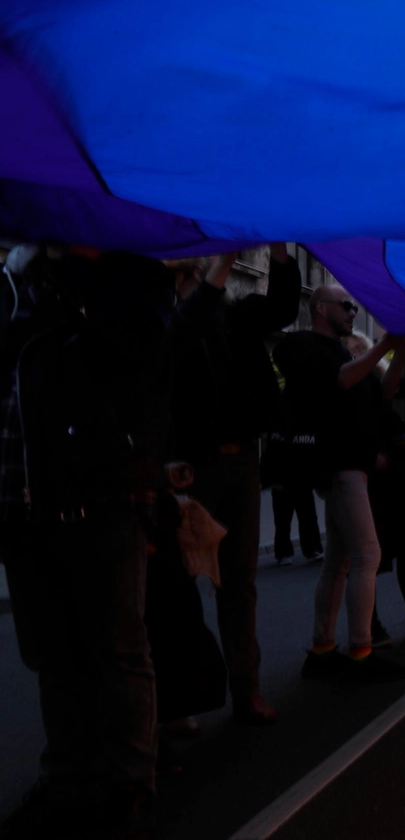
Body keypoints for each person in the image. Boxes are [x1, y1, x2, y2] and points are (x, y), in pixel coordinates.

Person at [0, 245, 170, 837]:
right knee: (53, 653)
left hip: (105, 495)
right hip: (24, 499)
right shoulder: (19, 281)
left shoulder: (132, 277)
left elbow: (128, 351)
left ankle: (127, 783)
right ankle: (67, 779)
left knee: (117, 648)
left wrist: (73, 270)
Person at [165, 245, 298, 726]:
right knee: (175, 585)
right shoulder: (163, 326)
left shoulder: (235, 315)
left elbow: (283, 308)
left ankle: (247, 689)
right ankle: (177, 702)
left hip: (242, 461)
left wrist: (280, 252)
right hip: (189, 469)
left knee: (239, 583)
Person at [274, 284, 405, 682]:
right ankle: (361, 651)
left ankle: (323, 647)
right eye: (345, 305)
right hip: (339, 465)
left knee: (340, 561)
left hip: (351, 467)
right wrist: (384, 342)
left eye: (354, 305)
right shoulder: (304, 347)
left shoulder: (346, 353)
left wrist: (399, 350)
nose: (352, 311)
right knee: (367, 555)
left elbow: (383, 392)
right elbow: (343, 381)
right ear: (319, 308)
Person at [340, 332, 405, 646]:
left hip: (396, 478)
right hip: (365, 478)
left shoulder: (381, 386)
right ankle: (370, 626)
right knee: (367, 557)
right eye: (352, 352)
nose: (358, 355)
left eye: (362, 349)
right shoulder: (341, 387)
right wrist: (371, 458)